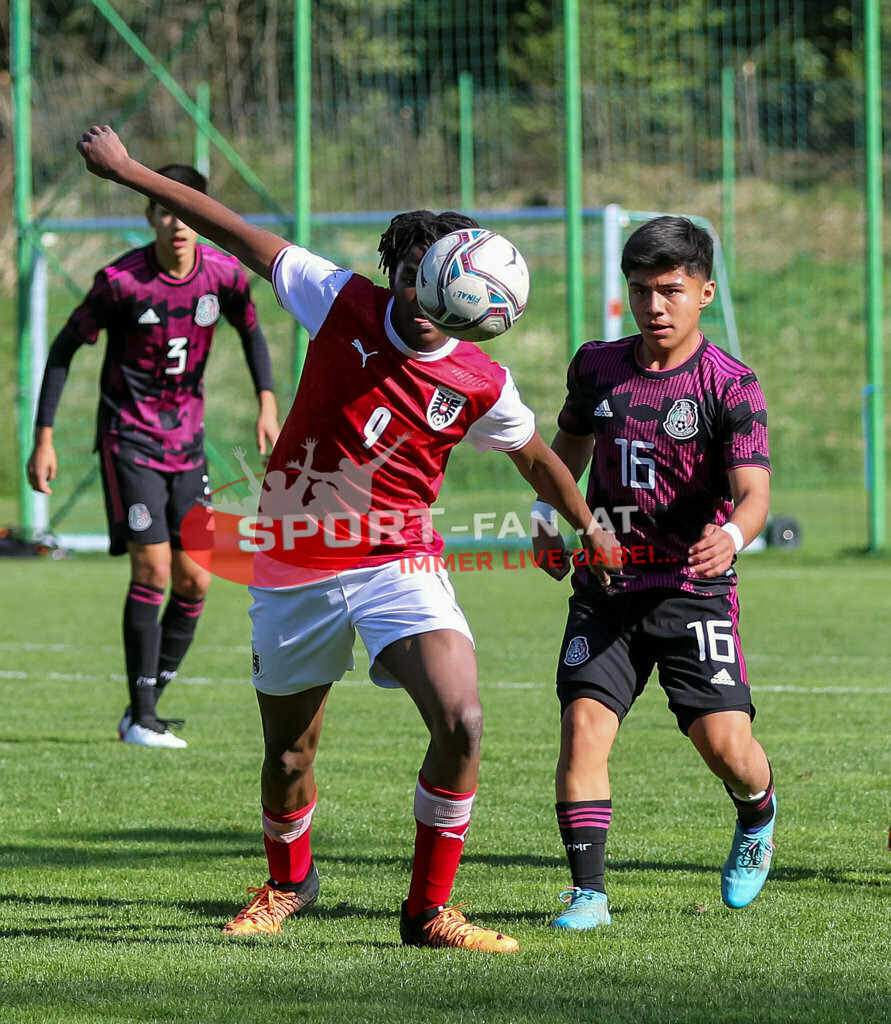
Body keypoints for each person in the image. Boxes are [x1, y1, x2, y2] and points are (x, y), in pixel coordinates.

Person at [73, 124, 612, 953]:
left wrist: (588, 529)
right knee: (290, 754)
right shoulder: (341, 298)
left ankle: (427, 911)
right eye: (410, 275)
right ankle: (289, 884)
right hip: (291, 560)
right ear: (404, 277)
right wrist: (128, 171)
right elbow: (227, 226)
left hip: (399, 562)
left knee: (462, 718)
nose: (421, 294)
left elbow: (537, 459)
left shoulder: (478, 377)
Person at [531, 216, 776, 929]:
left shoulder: (729, 384)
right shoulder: (595, 365)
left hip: (692, 593)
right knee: (582, 727)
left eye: (669, 290)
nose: (653, 306)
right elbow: (563, 452)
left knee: (726, 749)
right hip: (606, 589)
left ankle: (757, 812)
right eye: (639, 290)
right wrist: (545, 517)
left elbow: (755, 491)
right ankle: (588, 894)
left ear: (703, 292)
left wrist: (730, 534)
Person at [27, 162, 280, 749]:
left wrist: (267, 402)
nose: (178, 222)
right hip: (129, 440)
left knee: (195, 580)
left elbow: (252, 332)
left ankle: (145, 708)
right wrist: (44, 437)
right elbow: (63, 351)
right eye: (166, 209)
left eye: (189, 209)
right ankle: (141, 718)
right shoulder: (120, 281)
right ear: (150, 214)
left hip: (186, 445)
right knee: (154, 569)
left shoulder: (224, 276)